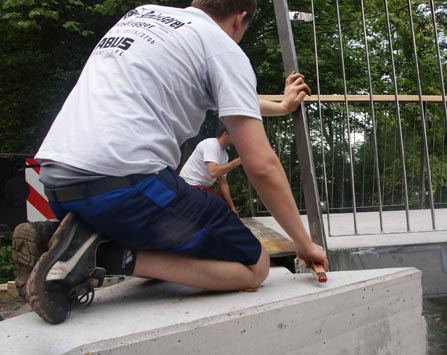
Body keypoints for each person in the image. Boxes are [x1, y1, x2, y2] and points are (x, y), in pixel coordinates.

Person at [23, 0, 328, 325]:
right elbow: (262, 166)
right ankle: (104, 256)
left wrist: (282, 106)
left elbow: (234, 97)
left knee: (173, 225)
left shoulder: (142, 16)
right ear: (240, 20)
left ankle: (60, 239)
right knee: (255, 266)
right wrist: (304, 243)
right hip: (124, 186)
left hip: (57, 183)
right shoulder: (222, 47)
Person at [179, 122, 241, 216]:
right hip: (190, 186)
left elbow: (223, 184)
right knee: (216, 208)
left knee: (223, 208)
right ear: (225, 134)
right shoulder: (211, 144)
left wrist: (232, 208)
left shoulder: (224, 155)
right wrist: (239, 161)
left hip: (201, 189)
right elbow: (213, 172)